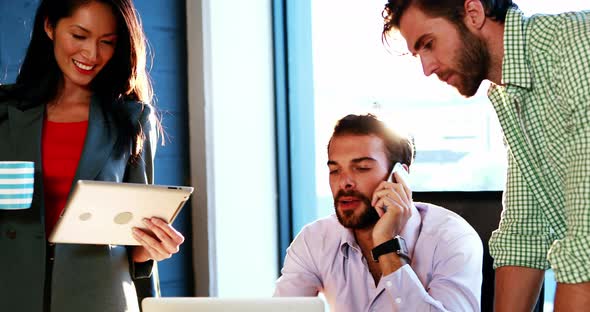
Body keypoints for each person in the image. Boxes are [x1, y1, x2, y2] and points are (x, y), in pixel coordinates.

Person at [381, 0, 590, 310]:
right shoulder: (509, 94)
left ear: (474, 13)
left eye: (429, 44)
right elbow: (523, 236)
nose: (427, 69)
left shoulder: (574, 47)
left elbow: (585, 248)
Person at [0, 0, 185, 311]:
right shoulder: (4, 112)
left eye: (107, 42)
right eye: (79, 36)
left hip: (100, 297)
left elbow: (134, 239)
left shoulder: (133, 118)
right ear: (50, 26)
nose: (92, 54)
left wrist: (151, 248)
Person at [274, 114, 483, 311]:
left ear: (399, 175)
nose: (344, 182)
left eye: (362, 168)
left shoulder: (452, 239)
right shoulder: (315, 240)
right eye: (335, 170)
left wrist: (386, 244)